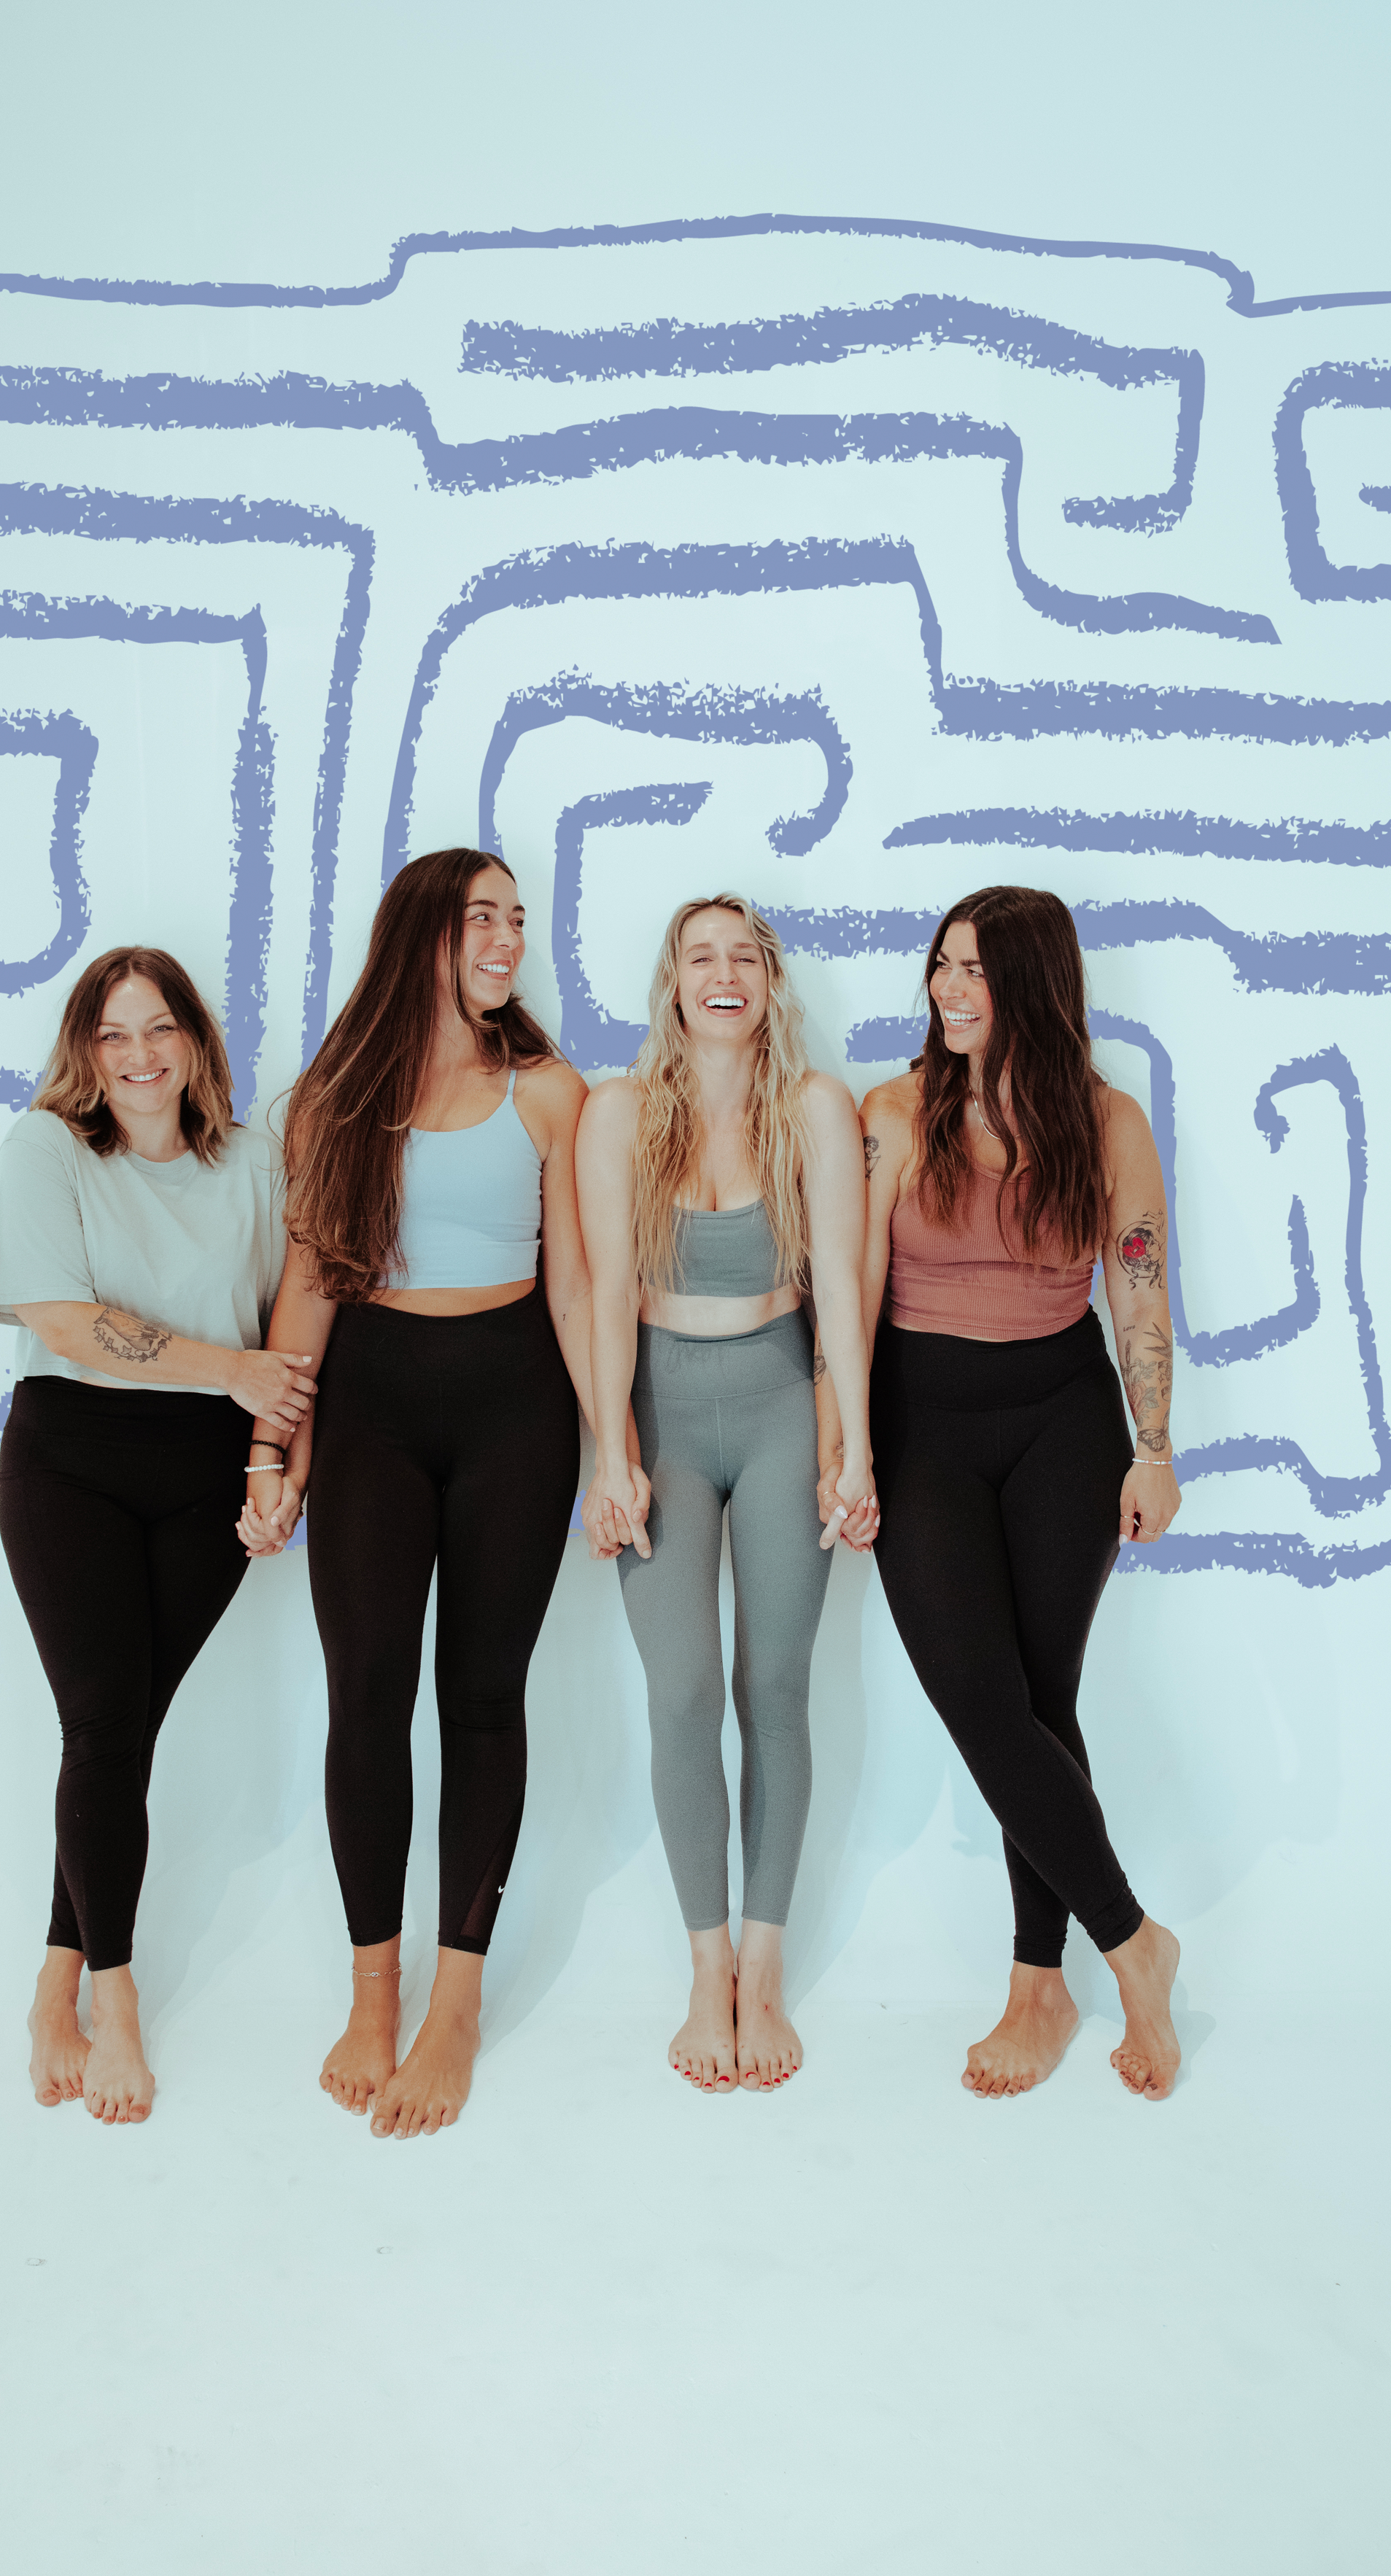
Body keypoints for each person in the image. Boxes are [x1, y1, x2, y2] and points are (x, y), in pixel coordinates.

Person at [237, 850, 599, 2141]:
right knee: (368, 1690)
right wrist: (271, 1456)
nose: (508, 937)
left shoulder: (552, 1093)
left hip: (516, 1404)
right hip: (377, 1402)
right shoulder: (337, 1096)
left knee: (482, 1695)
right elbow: (312, 1285)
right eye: (482, 917)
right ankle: (372, 1991)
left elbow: (576, 1289)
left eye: (517, 918)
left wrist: (608, 1444)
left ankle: (459, 1995)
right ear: (422, 936)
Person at [829, 885, 1182, 2100]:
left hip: (1063, 1425)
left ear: (1035, 984)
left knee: (1043, 1698)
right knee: (982, 1698)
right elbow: (851, 1305)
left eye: (976, 971)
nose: (949, 989)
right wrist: (852, 1452)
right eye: (942, 966)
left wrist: (1156, 1446)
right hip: (922, 1420)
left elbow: (1138, 1287)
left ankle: (1041, 1980)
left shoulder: (1107, 1122)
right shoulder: (892, 1113)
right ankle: (1135, 1942)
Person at [0, 946, 309, 2125]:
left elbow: (292, 1333)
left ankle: (53, 1976)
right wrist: (236, 1375)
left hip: (205, 1473)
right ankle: (115, 2000)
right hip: (72, 1459)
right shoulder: (47, 1148)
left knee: (118, 1731)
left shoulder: (253, 1162)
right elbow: (64, 1320)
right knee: (106, 1722)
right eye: (114, 1035)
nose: (139, 1054)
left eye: (159, 1028)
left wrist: (280, 1471)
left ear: (197, 1043)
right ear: (85, 1050)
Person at [576, 894, 875, 2095]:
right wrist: (612, 1451)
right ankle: (706, 1970)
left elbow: (842, 1291)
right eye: (701, 956)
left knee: (776, 1687)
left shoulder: (811, 1106)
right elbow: (603, 1298)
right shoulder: (617, 1114)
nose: (724, 974)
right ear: (671, 980)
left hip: (774, 1405)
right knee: (685, 1688)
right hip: (662, 1411)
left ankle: (763, 1963)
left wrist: (849, 1447)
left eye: (744, 956)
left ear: (770, 982)